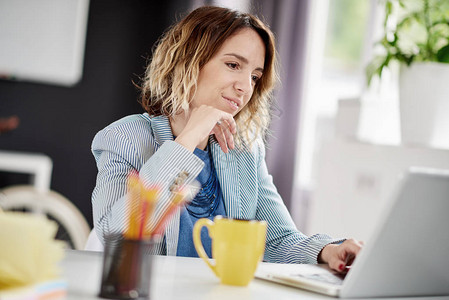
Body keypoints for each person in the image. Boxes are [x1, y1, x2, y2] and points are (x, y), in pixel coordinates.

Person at [91, 5, 362, 273]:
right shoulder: (125, 138)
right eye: (233, 65)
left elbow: (277, 238)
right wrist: (188, 139)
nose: (245, 88)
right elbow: (115, 239)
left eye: (255, 76)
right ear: (188, 61)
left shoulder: (244, 150)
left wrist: (327, 250)